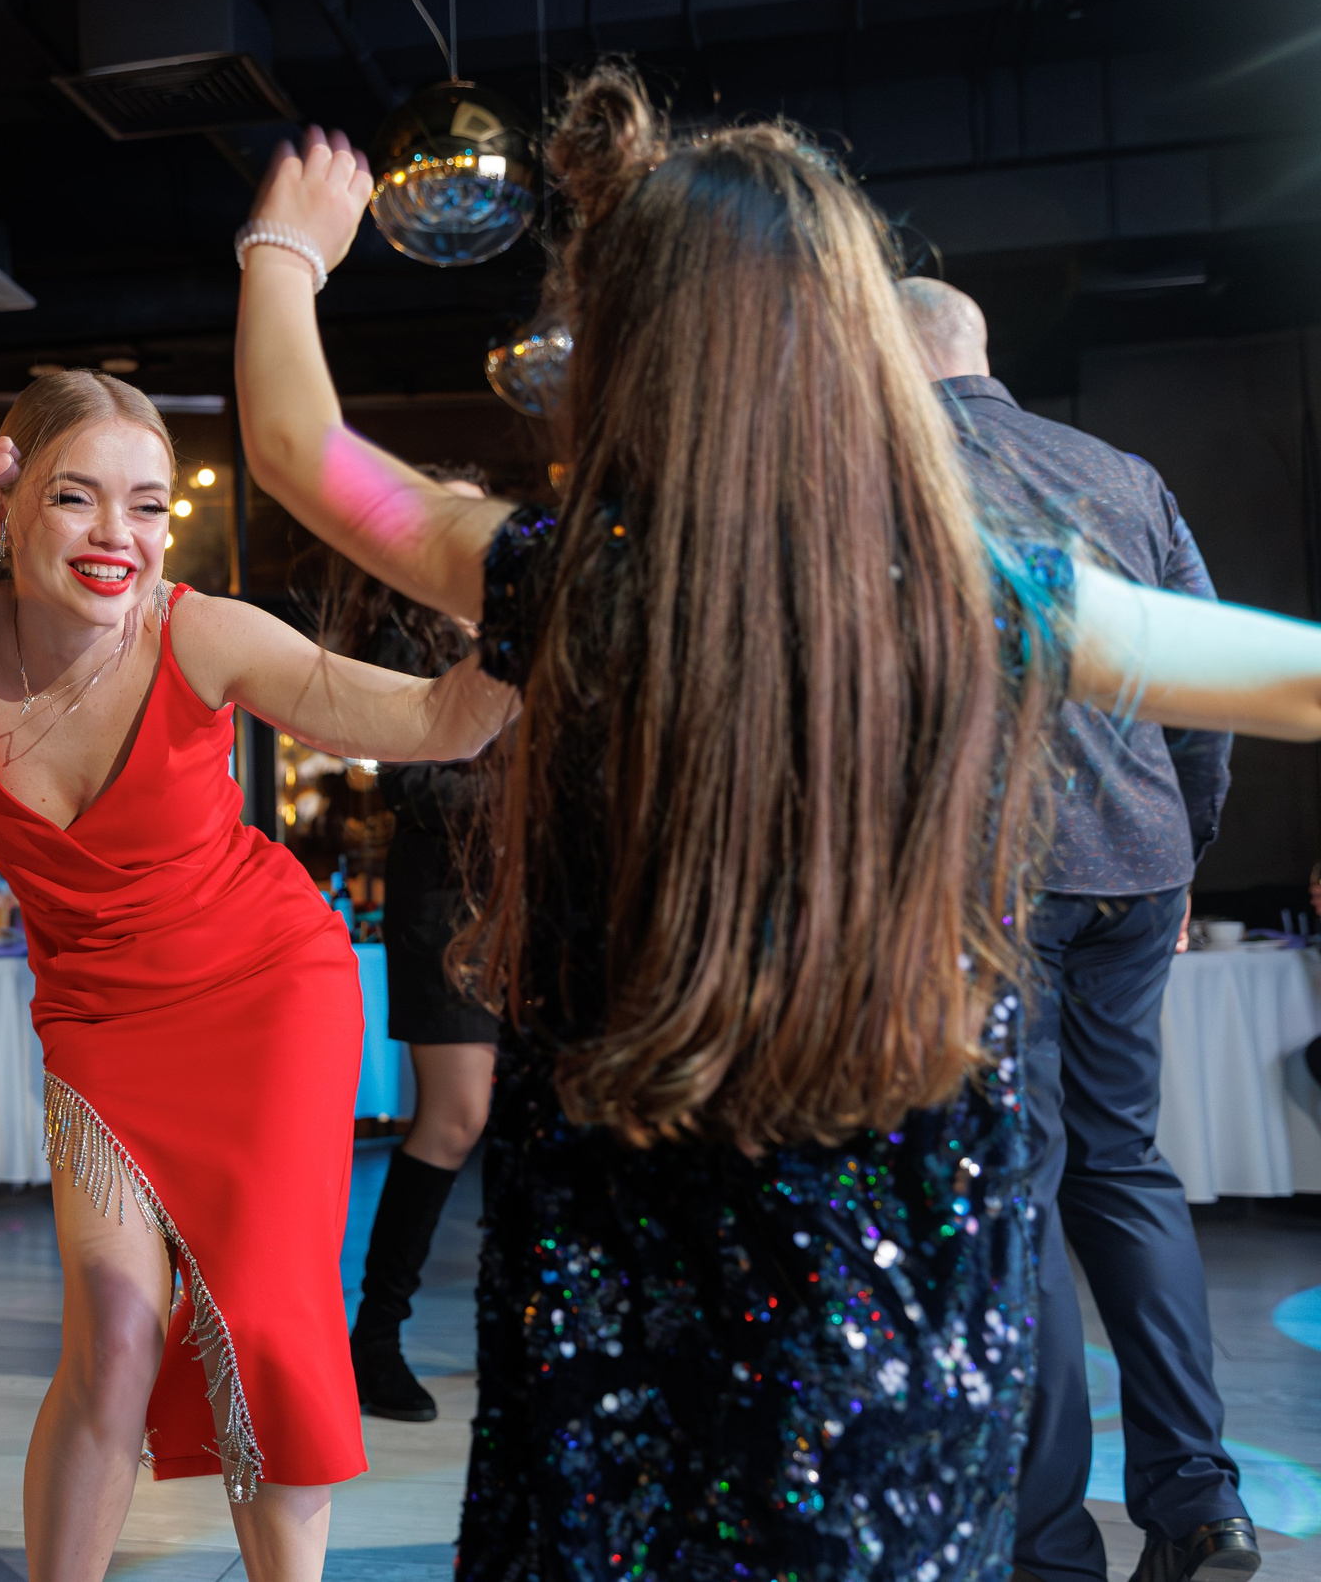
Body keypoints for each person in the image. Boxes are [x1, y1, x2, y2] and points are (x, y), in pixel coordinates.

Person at [229, 77, 1321, 1579]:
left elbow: (298, 449)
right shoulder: (981, 591)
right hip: (905, 1295)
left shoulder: (566, 576)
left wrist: (285, 252)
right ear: (858, 342)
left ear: (635, 345)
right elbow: (1297, 675)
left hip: (619, 1265)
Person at [0, 367, 516, 1582]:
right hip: (98, 1021)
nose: (119, 537)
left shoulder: (200, 629)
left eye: (149, 506)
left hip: (267, 989)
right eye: (77, 498)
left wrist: (533, 615)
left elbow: (437, 722)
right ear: (2, 510)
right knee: (113, 1329)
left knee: (266, 1325)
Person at [900, 276, 1254, 1582]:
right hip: (1140, 867)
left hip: (990, 880)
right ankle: (1200, 1502)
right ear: (981, 350)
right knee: (1127, 1164)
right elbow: (1204, 679)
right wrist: (1183, 850)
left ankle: (1049, 1544)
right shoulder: (1122, 470)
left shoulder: (885, 479)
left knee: (1022, 1186)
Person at [317, 471, 503, 1424]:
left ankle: (517, 1332)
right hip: (449, 902)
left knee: (525, 1118)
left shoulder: (517, 629)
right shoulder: (401, 640)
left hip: (534, 902)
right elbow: (411, 792)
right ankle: (374, 1337)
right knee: (455, 1117)